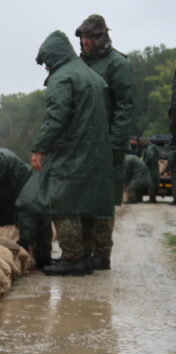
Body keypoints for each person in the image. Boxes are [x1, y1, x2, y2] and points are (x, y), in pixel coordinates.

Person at [21, 30, 113, 277]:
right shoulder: (91, 75)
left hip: (73, 149)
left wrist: (39, 148)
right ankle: (85, 257)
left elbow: (56, 117)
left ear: (54, 57)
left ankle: (72, 259)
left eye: (47, 61)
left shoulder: (62, 78)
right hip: (97, 150)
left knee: (63, 202)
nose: (46, 68)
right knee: (87, 203)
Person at [75, 14, 134, 270]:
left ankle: (102, 254)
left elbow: (124, 106)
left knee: (103, 200)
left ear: (101, 37)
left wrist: (114, 144)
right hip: (81, 144)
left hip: (108, 143)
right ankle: (84, 251)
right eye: (82, 37)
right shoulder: (79, 64)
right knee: (81, 198)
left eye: (89, 37)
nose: (85, 42)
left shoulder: (118, 64)